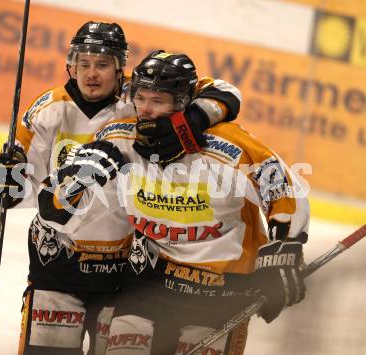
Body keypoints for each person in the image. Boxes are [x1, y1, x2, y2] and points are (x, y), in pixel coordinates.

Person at [0, 20, 243, 355]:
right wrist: (5, 181)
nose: (92, 74)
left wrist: (195, 117)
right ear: (70, 66)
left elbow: (226, 91)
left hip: (123, 269)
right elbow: (22, 191)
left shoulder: (141, 96)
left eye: (103, 65)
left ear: (121, 68)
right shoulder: (47, 110)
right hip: (59, 261)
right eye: (84, 64)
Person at [41, 50, 310, 354]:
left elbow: (284, 187)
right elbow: (54, 206)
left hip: (222, 288)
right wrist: (72, 182)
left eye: (158, 101)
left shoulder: (225, 144)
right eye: (141, 98)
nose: (146, 110)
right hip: (151, 280)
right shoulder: (119, 138)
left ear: (182, 102)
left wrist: (285, 249)